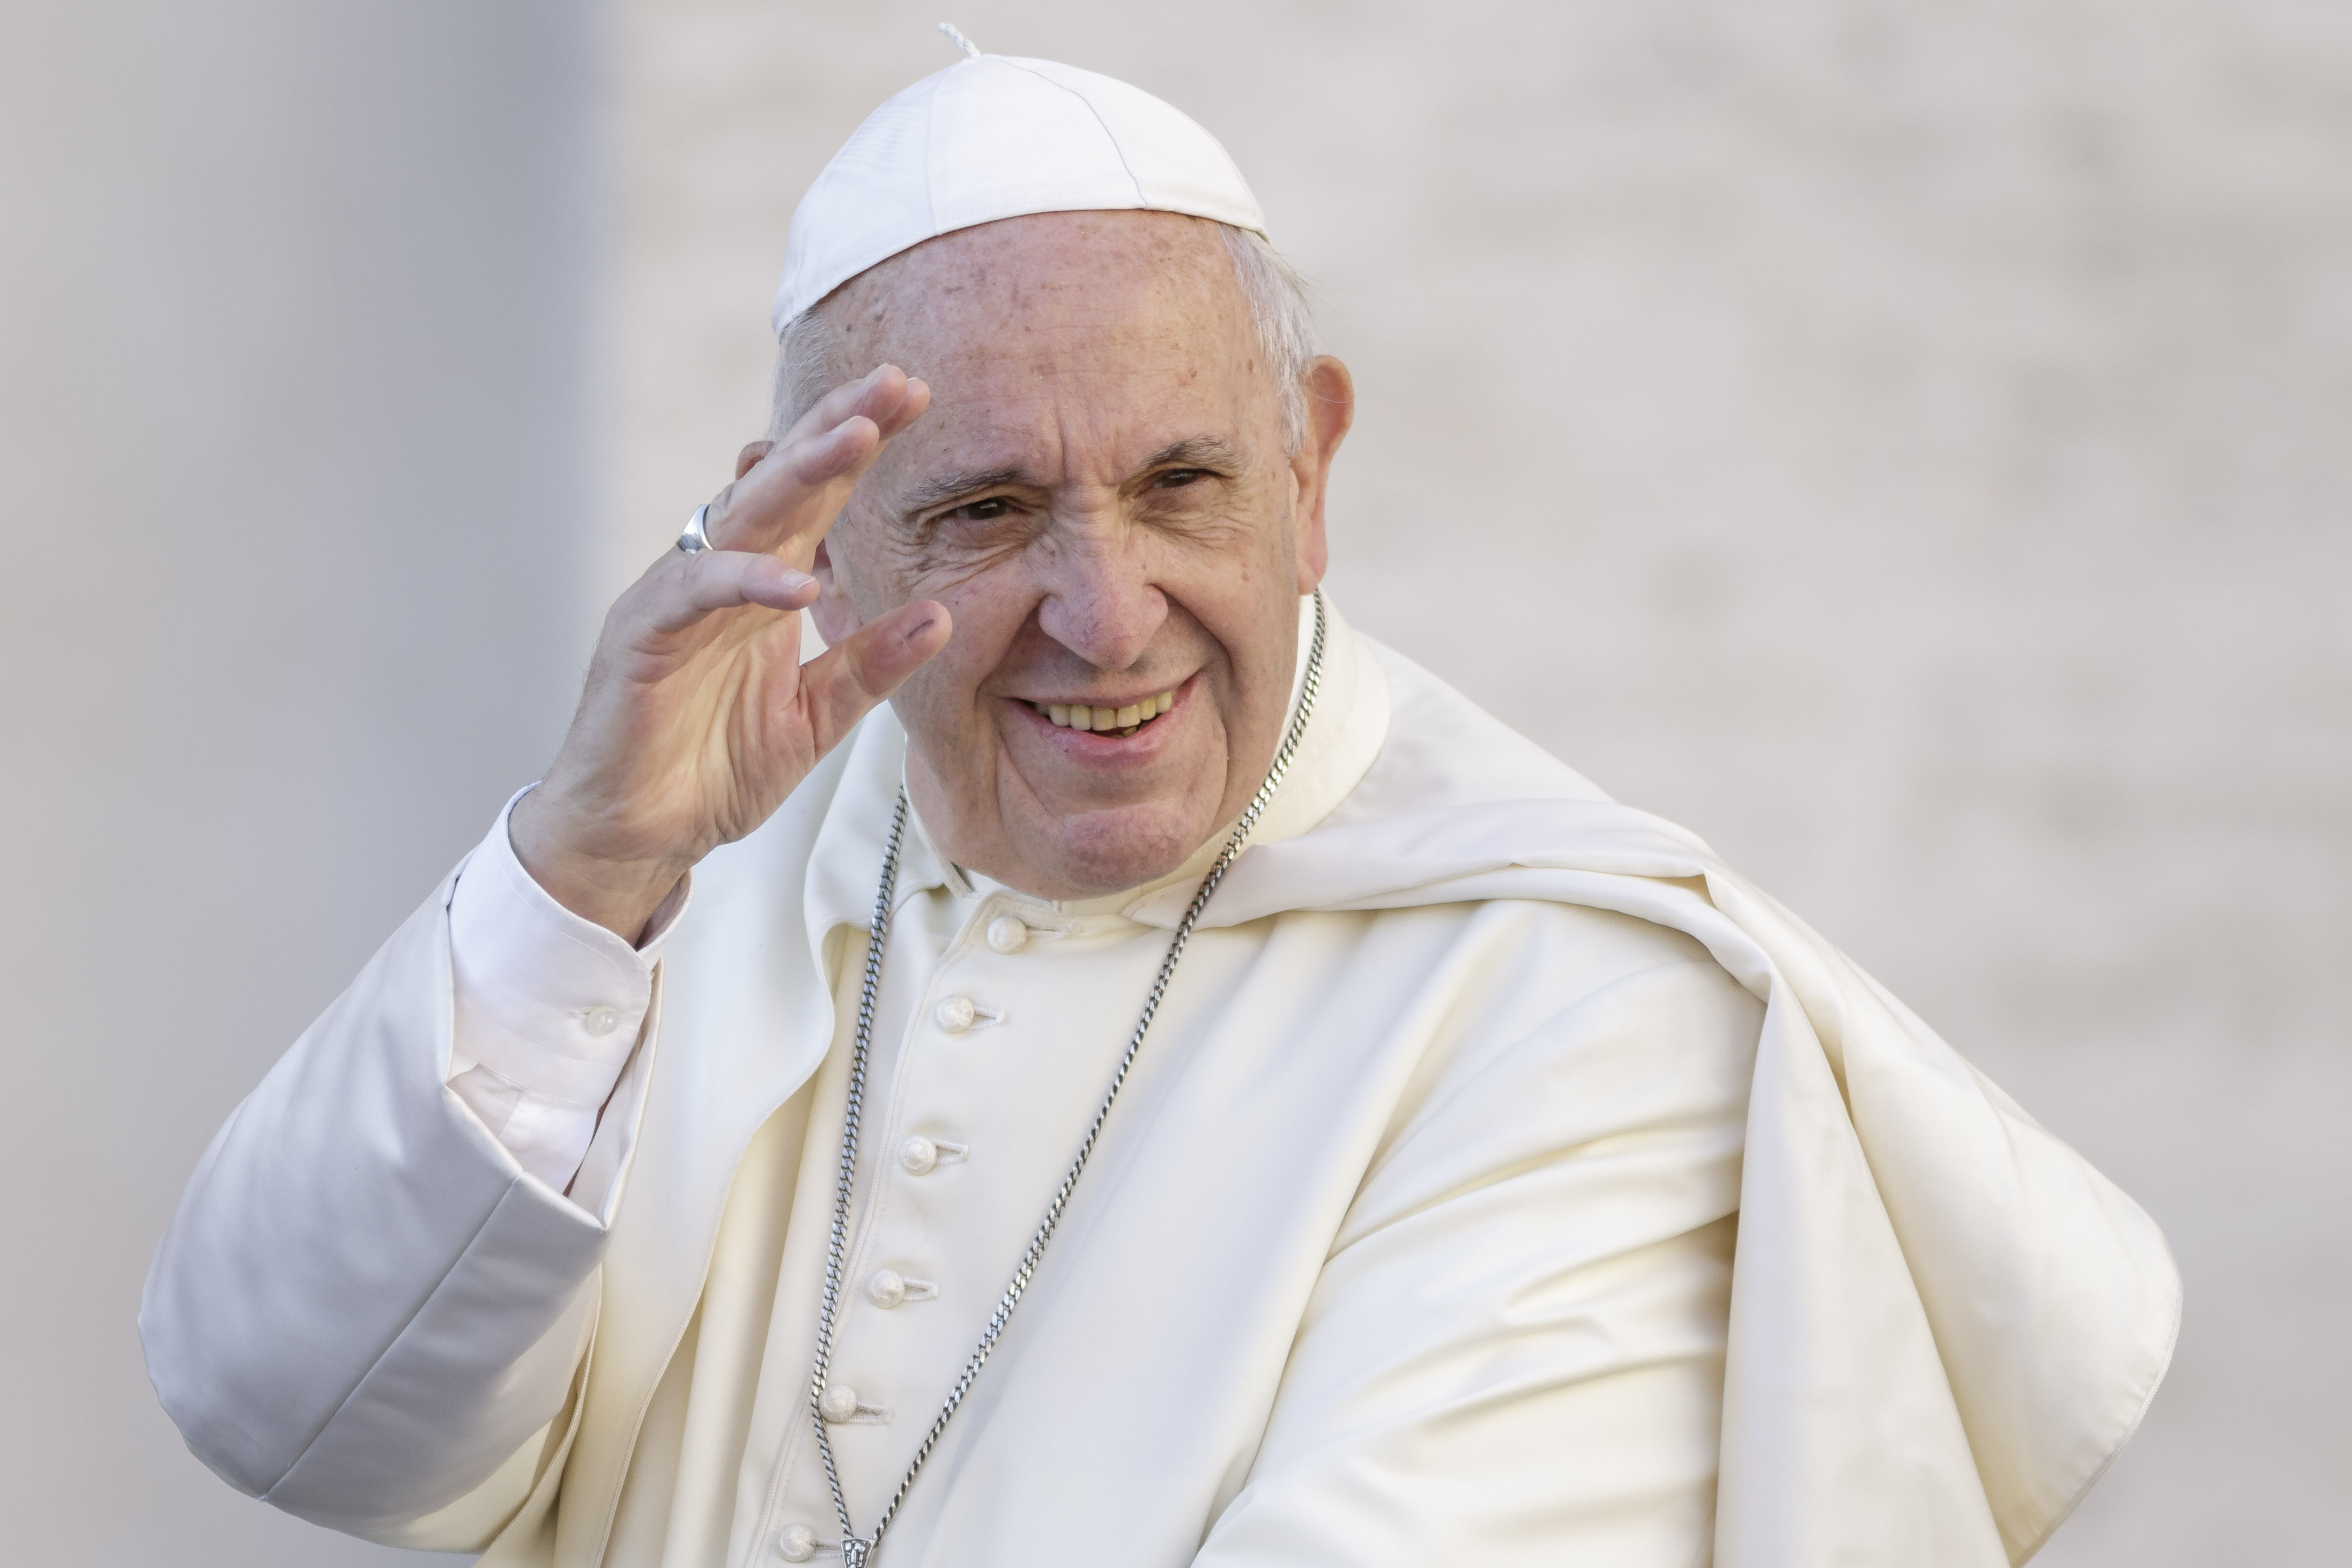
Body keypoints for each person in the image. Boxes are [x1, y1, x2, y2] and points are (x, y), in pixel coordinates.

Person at [142, 42, 2179, 1568]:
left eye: (1182, 484)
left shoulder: (1581, 1017)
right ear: (826, 541)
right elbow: (292, 1411)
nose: (1102, 615)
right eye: (987, 511)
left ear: (1312, 465)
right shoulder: (680, 909)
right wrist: (581, 877)